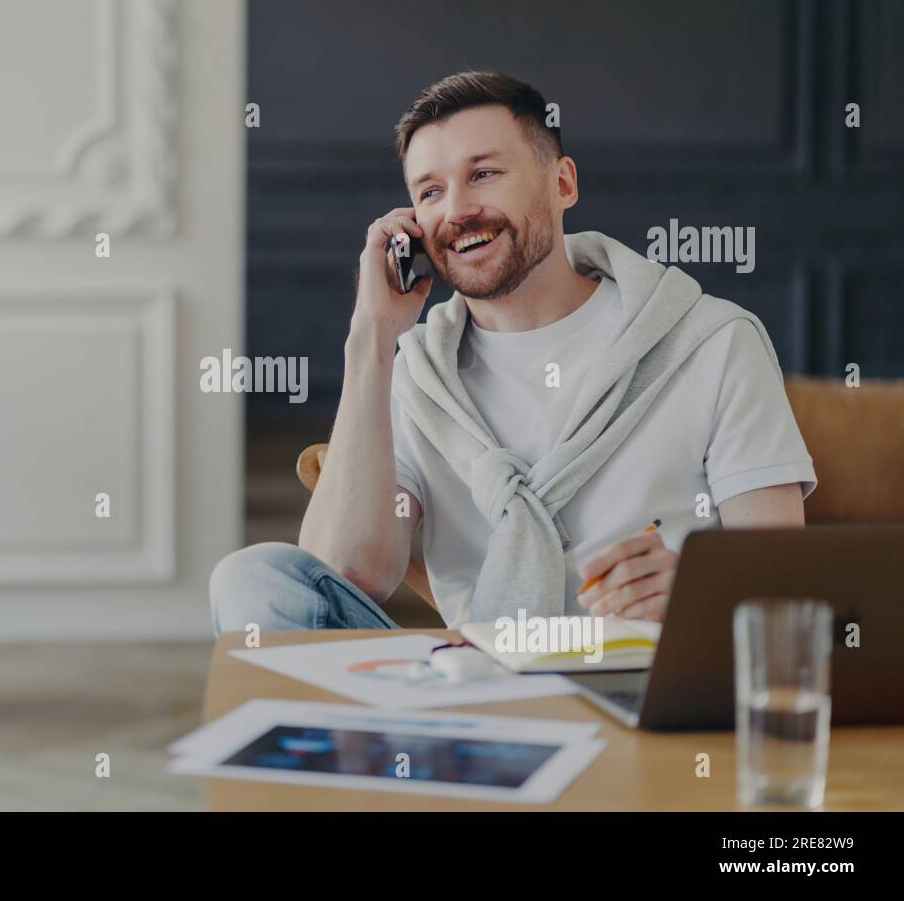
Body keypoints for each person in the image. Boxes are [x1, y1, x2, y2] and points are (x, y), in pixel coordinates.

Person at [211, 71, 815, 635]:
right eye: (430, 191)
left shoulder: (712, 340)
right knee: (251, 579)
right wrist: (372, 339)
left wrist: (699, 593)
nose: (456, 209)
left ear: (562, 183)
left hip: (651, 692)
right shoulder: (418, 375)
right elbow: (345, 575)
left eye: (484, 174)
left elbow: (783, 578)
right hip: (479, 700)